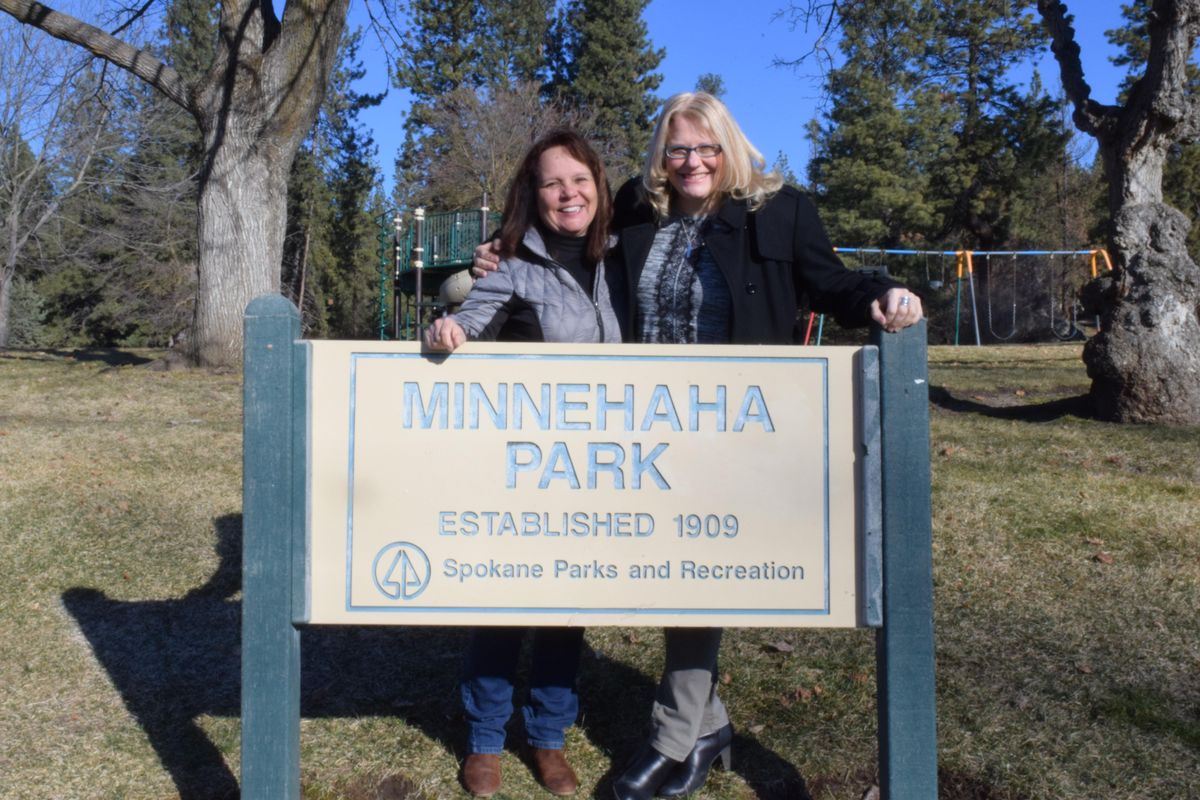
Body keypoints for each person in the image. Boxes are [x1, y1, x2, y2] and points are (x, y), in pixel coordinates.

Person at [473, 92, 923, 800]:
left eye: (706, 146)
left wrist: (883, 293)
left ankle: (673, 732)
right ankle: (707, 727)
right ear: (662, 154)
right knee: (660, 567)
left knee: (699, 571)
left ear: (728, 147)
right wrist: (502, 252)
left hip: (735, 425)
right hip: (646, 427)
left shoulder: (779, 211)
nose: (692, 162)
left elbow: (829, 280)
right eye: (678, 148)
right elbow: (572, 243)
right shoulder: (638, 207)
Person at [424, 129, 623, 798]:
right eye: (552, 182)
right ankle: (484, 738)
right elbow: (473, 317)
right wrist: (448, 329)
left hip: (598, 465)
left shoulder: (624, 258)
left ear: (598, 186)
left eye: (580, 180)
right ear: (532, 194)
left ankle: (548, 736)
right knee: (505, 601)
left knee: (567, 605)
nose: (569, 193)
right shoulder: (509, 264)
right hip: (522, 466)